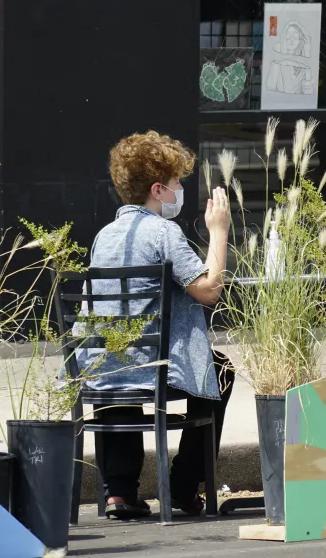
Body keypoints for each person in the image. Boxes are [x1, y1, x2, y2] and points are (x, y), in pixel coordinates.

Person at [77, 130, 233, 519]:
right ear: (159, 189)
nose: (182, 189)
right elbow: (209, 290)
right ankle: (183, 486)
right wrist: (219, 230)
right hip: (152, 365)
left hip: (99, 364)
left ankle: (119, 492)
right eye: (178, 182)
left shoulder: (103, 236)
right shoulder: (164, 231)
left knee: (120, 361)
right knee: (222, 371)